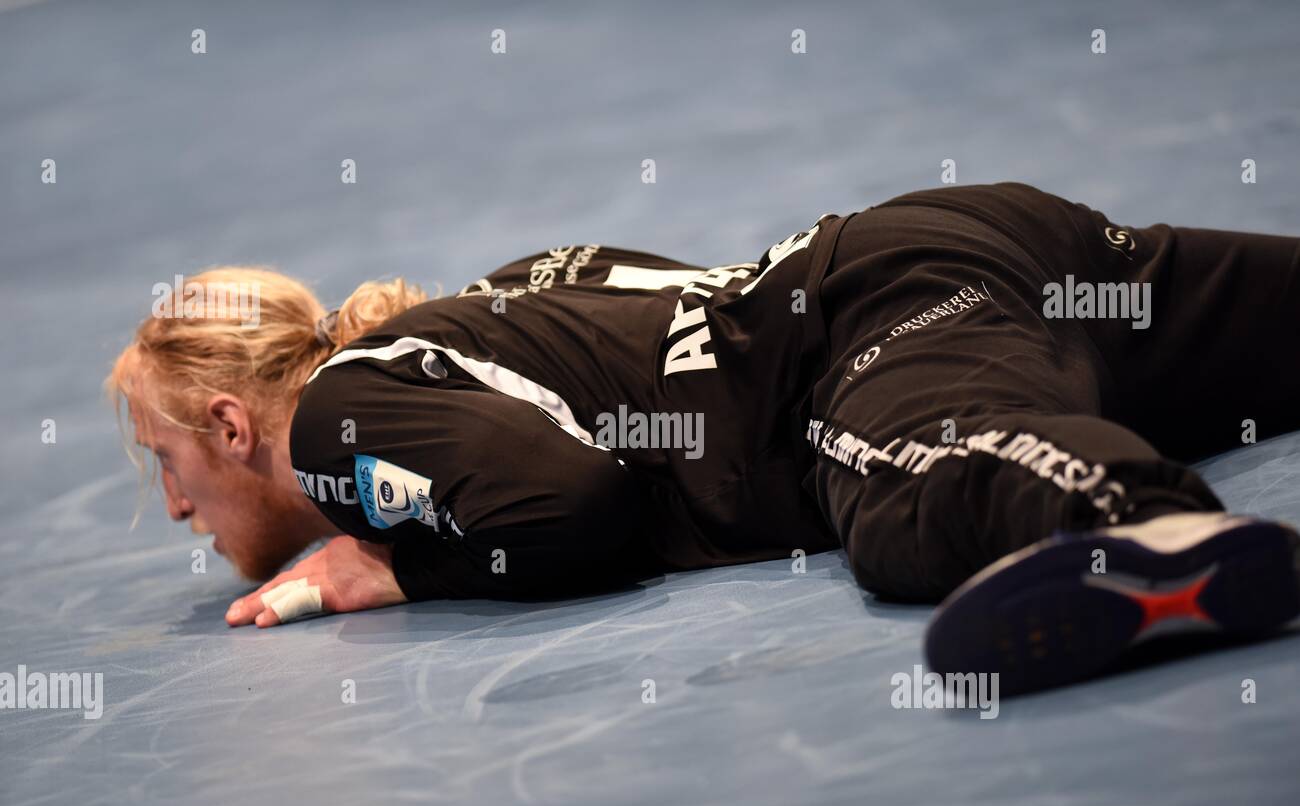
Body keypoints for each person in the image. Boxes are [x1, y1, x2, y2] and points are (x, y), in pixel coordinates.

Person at [108, 182, 1300, 694]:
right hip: (978, 240)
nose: (174, 509)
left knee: (910, 501)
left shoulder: (334, 419)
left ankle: (1142, 531)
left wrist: (401, 560)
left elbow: (576, 510)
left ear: (229, 423)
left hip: (878, 334)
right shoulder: (496, 307)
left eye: (170, 465)